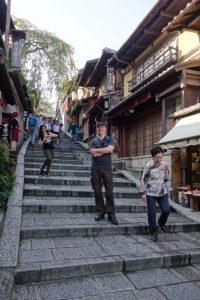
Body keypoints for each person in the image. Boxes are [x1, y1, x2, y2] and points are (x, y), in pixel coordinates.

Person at [140, 146, 171, 242]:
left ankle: (161, 223)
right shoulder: (148, 166)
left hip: (162, 192)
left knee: (166, 210)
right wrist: (143, 193)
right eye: (157, 157)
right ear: (152, 157)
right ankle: (153, 233)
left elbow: (167, 178)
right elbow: (143, 179)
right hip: (150, 193)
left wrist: (168, 190)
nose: (159, 159)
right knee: (152, 213)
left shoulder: (165, 165)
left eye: (161, 157)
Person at [90, 122, 118, 225]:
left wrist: (98, 151)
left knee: (109, 191)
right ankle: (100, 212)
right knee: (97, 191)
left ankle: (111, 214)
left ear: (105, 129)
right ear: (97, 129)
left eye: (102, 127)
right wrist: (104, 151)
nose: (100, 129)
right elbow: (93, 154)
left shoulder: (110, 139)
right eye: (98, 127)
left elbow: (110, 150)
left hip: (107, 168)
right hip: (96, 169)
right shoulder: (93, 141)